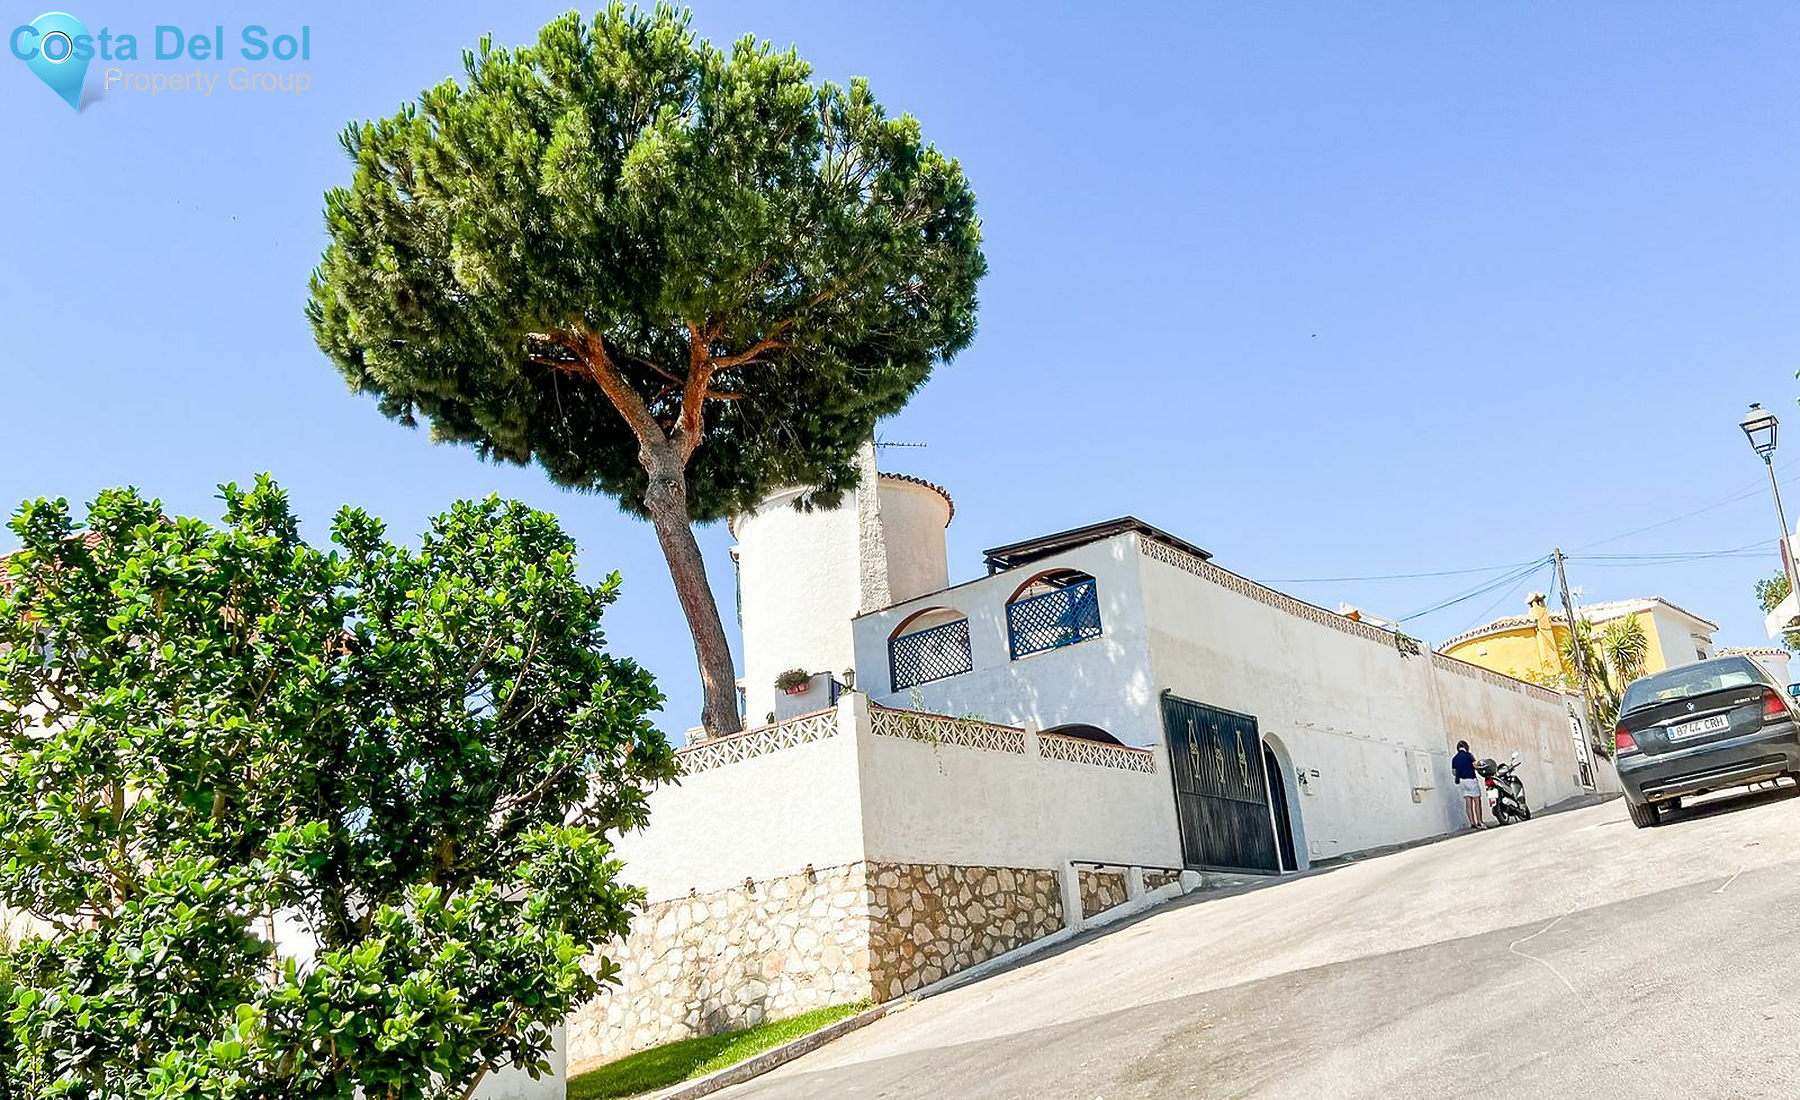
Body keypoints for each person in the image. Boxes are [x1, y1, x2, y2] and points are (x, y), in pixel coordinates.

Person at [1452, 740, 1485, 829]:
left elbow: (1454, 772)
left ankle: (1472, 822)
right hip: (1471, 780)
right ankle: (1479, 821)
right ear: (1466, 747)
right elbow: (1475, 766)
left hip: (1463, 782)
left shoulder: (1455, 758)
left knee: (1468, 802)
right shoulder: (1469, 755)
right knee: (1477, 801)